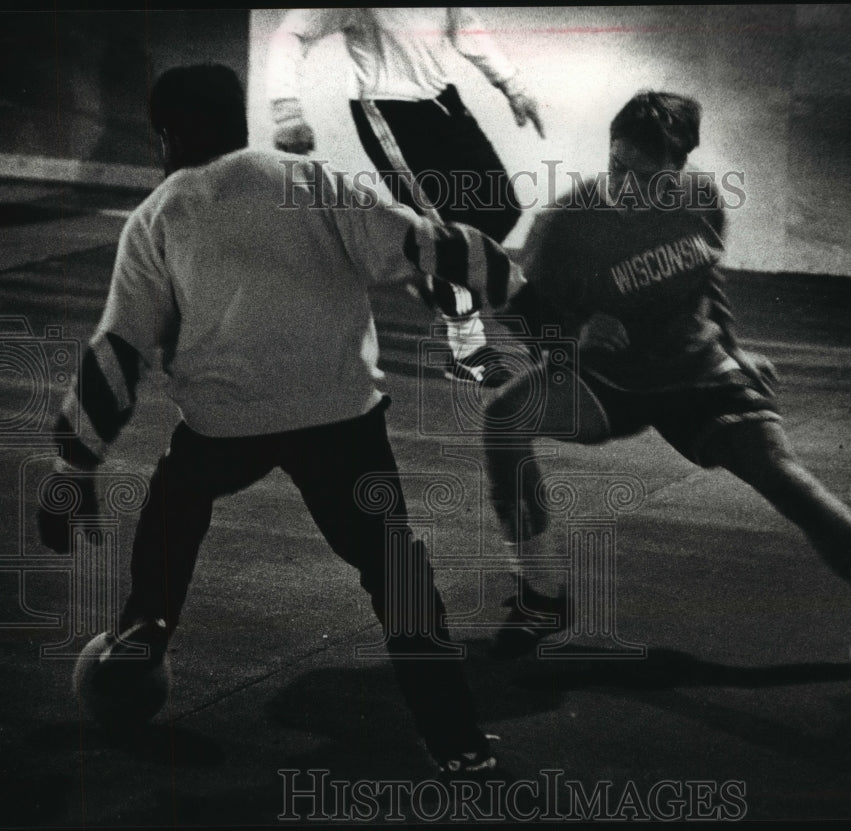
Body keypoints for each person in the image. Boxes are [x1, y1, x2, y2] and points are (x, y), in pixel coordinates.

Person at [36, 63, 517, 775]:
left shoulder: (158, 216)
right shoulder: (312, 181)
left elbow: (116, 356)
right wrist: (529, 296)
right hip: (342, 418)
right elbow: (430, 245)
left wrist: (73, 468)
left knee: (177, 500)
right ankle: (459, 741)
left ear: (164, 136)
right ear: (241, 119)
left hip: (224, 422)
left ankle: (148, 621)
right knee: (395, 569)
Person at [480, 90, 851, 682]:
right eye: (618, 168)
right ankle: (541, 597)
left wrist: (735, 348)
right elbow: (518, 314)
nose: (628, 186)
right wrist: (573, 335)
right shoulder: (566, 224)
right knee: (504, 419)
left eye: (649, 178)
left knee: (785, 475)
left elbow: (705, 279)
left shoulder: (701, 200)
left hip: (697, 376)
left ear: (680, 169)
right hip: (609, 383)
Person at [265, 7, 545, 383]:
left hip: (443, 100)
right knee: (448, 231)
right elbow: (294, 33)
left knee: (502, 208)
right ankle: (466, 351)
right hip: (390, 112)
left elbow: (466, 28)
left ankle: (424, 266)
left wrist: (514, 87)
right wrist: (287, 110)